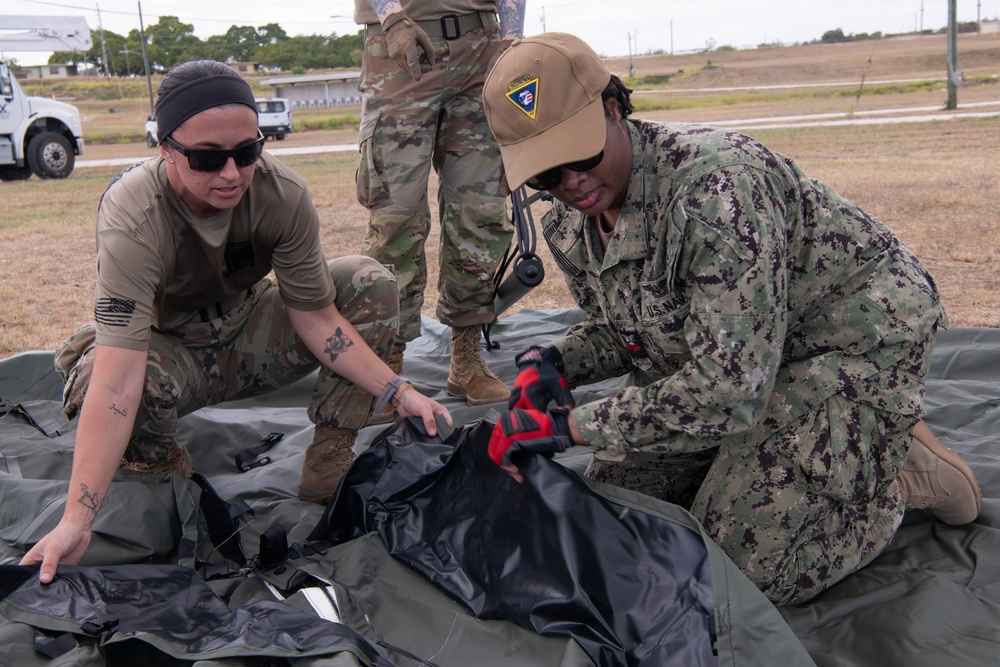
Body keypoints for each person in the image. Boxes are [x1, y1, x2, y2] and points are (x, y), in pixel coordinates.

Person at [480, 33, 982, 606]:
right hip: (737, 357)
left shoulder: (717, 192)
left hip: (847, 344)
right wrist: (552, 362)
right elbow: (627, 328)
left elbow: (728, 392)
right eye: (546, 174)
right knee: (616, 518)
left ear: (613, 109)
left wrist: (570, 427)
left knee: (735, 577)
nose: (570, 183)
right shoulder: (572, 224)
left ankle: (889, 473)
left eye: (581, 154)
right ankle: (798, 455)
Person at [20, 59, 452, 585]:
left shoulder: (281, 194)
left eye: (247, 152)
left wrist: (397, 390)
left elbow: (317, 318)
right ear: (165, 149)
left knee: (367, 280)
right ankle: (167, 480)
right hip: (168, 349)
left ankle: (329, 459)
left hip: (249, 331)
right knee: (97, 383)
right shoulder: (133, 214)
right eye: (207, 158)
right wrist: (76, 519)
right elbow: (120, 375)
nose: (231, 173)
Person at [353, 0, 526, 406]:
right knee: (395, 218)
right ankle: (387, 361)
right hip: (401, 47)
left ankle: (466, 355)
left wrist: (513, 37)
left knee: (480, 213)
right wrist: (392, 18)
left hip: (484, 47)